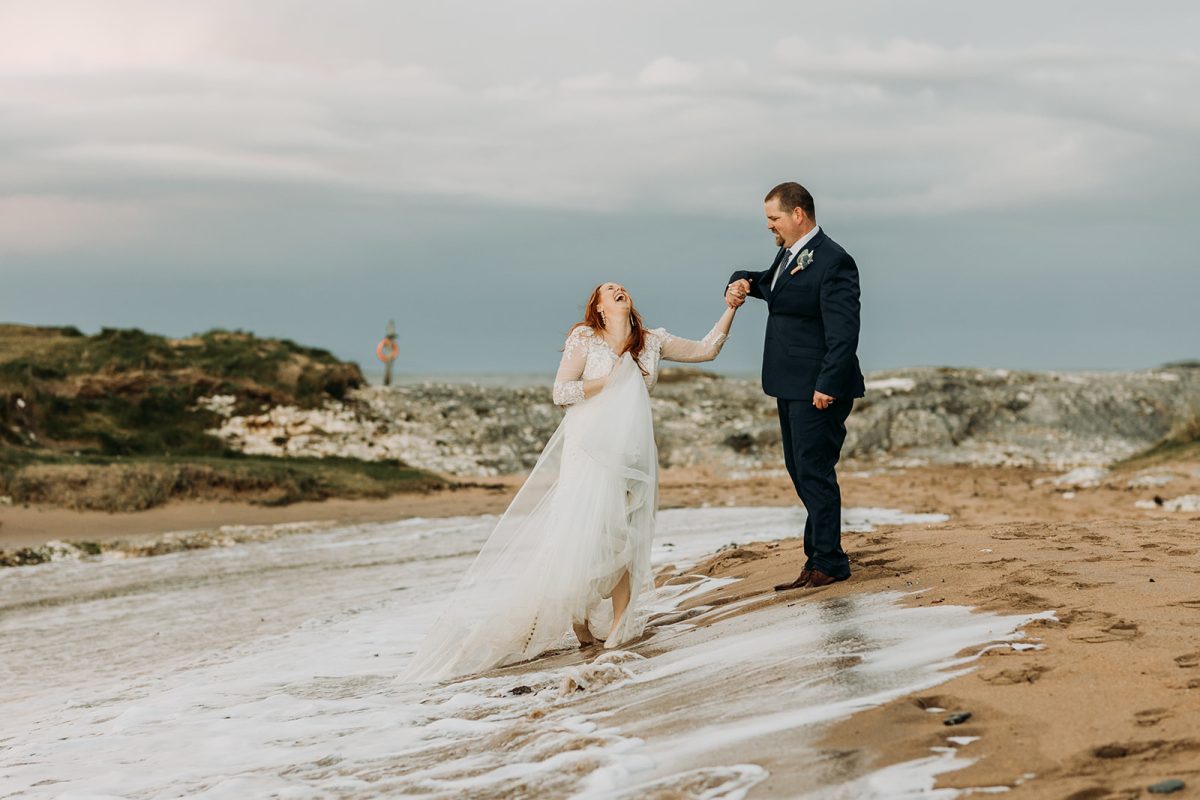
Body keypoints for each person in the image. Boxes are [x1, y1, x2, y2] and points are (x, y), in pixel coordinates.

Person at [401, 282, 736, 682]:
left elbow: (707, 349)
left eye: (621, 286)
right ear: (597, 305)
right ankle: (578, 622)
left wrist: (731, 308)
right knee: (584, 533)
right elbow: (561, 392)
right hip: (588, 451)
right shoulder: (585, 338)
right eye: (607, 288)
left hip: (631, 455)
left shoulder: (651, 342)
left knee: (624, 535)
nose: (617, 289)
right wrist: (607, 381)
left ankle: (619, 626)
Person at [725, 181, 865, 590]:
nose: (770, 226)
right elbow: (769, 284)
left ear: (798, 214)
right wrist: (740, 282)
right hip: (788, 385)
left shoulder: (834, 261)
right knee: (800, 471)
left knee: (814, 472)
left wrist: (827, 383)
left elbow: (844, 331)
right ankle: (816, 559)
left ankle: (829, 562)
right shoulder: (789, 256)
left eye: (774, 218)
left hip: (818, 390)